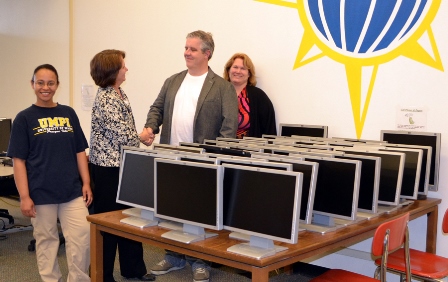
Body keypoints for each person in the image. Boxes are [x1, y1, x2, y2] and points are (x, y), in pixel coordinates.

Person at [140, 30, 238, 282]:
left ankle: (200, 260)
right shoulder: (172, 81)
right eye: (186, 48)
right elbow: (157, 108)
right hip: (170, 158)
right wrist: (151, 127)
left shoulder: (223, 87)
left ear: (207, 53)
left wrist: (217, 158)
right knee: (170, 210)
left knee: (199, 213)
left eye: (193, 49)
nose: (187, 52)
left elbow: (229, 127)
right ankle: (173, 256)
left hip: (202, 161)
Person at [7, 64, 92, 282]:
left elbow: (79, 151)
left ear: (57, 85)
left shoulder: (68, 113)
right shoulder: (24, 118)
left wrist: (86, 182)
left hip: (72, 191)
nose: (46, 87)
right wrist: (24, 197)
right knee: (46, 242)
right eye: (40, 82)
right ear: (33, 84)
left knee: (81, 240)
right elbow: (19, 161)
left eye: (50, 83)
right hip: (40, 193)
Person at [89, 50, 155, 282]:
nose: (126, 69)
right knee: (109, 222)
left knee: (130, 218)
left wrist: (140, 136)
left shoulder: (120, 93)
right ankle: (103, 274)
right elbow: (121, 135)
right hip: (108, 169)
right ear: (112, 70)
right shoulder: (106, 97)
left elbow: (126, 133)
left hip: (124, 165)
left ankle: (133, 269)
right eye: (123, 66)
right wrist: (144, 135)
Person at [223, 53, 277, 138]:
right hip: (221, 148)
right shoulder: (219, 93)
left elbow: (269, 129)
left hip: (249, 149)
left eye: (243, 68)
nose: (238, 71)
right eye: (235, 67)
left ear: (249, 74)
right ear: (228, 70)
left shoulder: (259, 97)